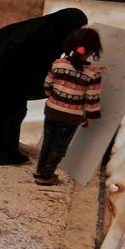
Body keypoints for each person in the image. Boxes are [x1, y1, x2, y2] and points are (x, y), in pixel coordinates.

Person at [0, 8, 88, 165]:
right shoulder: (46, 38)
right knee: (7, 114)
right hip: (6, 80)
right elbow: (39, 66)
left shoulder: (33, 28)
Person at [35, 28, 103, 185]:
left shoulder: (58, 64)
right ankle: (45, 177)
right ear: (93, 49)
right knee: (59, 146)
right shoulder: (93, 73)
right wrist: (90, 116)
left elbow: (47, 85)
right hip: (71, 116)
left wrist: (55, 97)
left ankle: (40, 171)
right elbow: (92, 99)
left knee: (48, 141)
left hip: (51, 109)